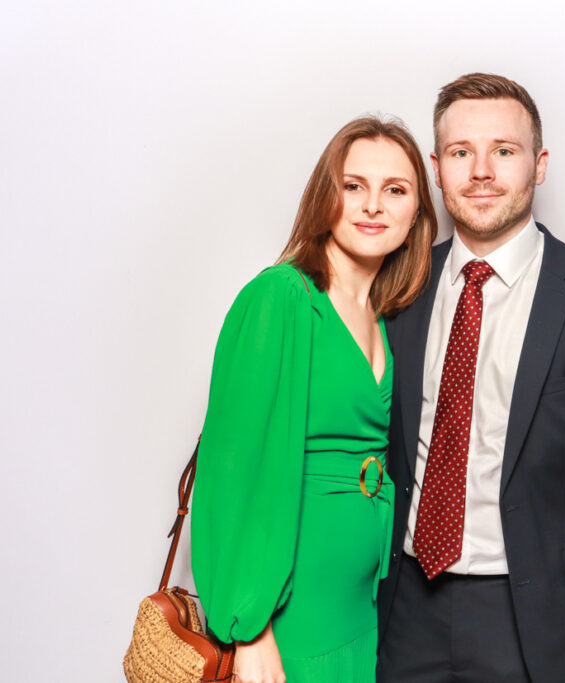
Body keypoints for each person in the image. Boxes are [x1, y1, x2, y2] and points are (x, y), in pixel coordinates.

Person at [377, 74, 565, 683]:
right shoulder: (397, 287)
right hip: (403, 611)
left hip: (540, 626)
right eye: (462, 153)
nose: (482, 171)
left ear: (538, 165)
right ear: (437, 170)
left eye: (504, 151)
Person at [191, 116, 438, 683]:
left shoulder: (391, 314)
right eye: (353, 186)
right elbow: (232, 470)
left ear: (417, 214)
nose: (372, 205)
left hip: (364, 608)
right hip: (291, 615)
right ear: (325, 195)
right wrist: (249, 629)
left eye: (395, 190)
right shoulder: (280, 297)